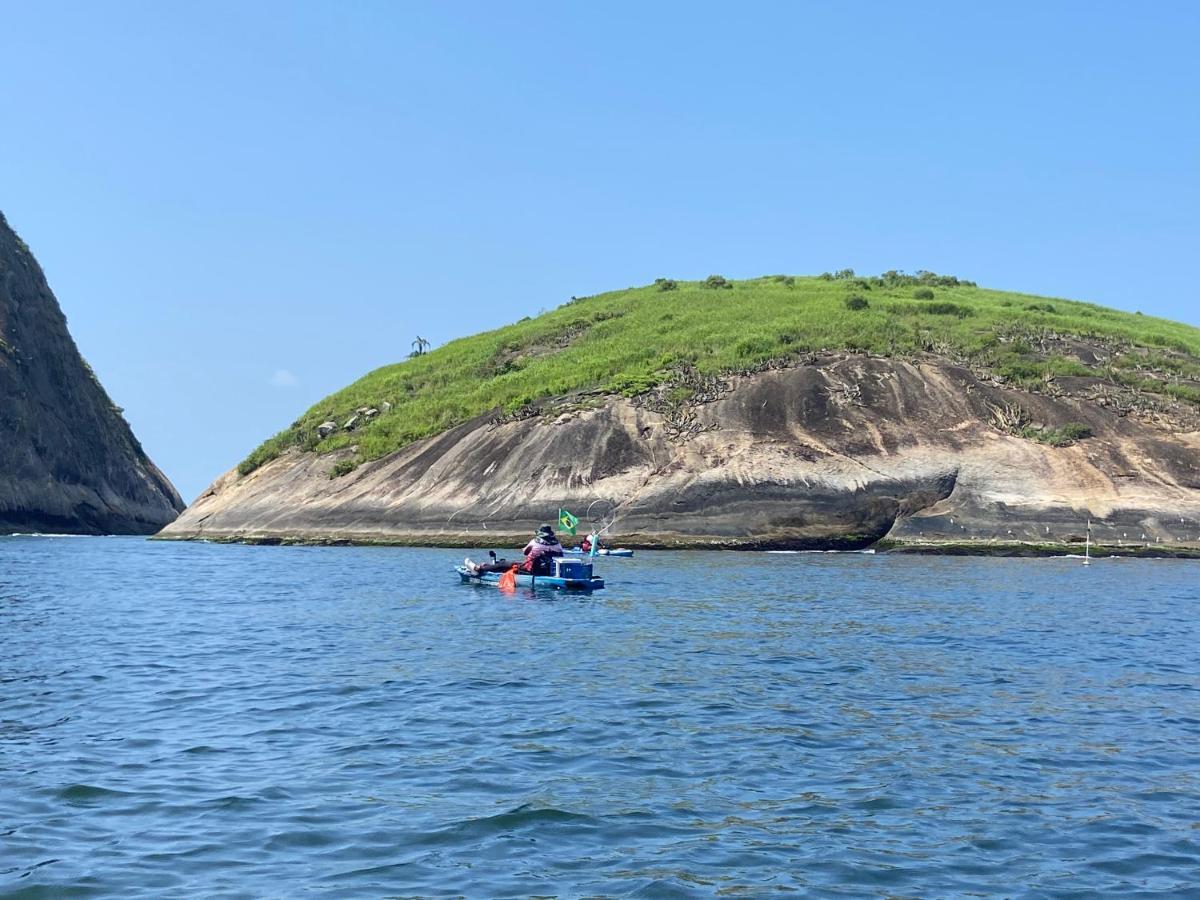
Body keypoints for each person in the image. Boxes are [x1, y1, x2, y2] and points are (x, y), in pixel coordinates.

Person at [466, 525, 564, 575]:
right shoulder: (558, 544)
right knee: (508, 563)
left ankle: (478, 569)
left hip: (532, 569)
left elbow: (525, 552)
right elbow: (560, 556)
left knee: (503, 565)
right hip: (548, 571)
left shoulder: (535, 542)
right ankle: (487, 566)